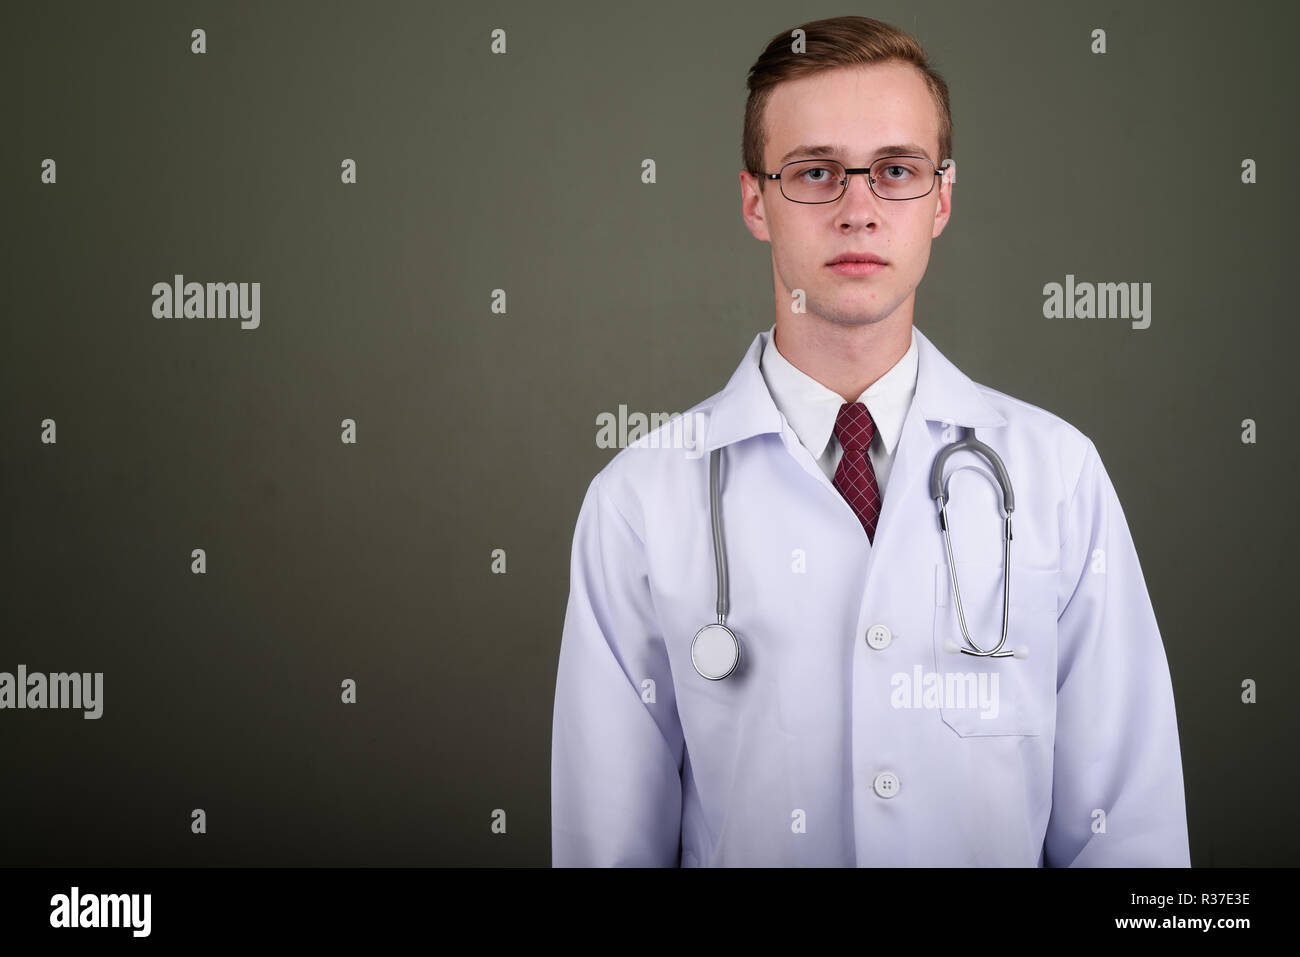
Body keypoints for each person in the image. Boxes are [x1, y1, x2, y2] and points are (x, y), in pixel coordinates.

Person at [551, 15, 1190, 867]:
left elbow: (1132, 832)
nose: (858, 209)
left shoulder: (1058, 475)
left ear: (942, 198)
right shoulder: (639, 499)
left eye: (895, 171)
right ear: (755, 201)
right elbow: (607, 848)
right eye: (815, 172)